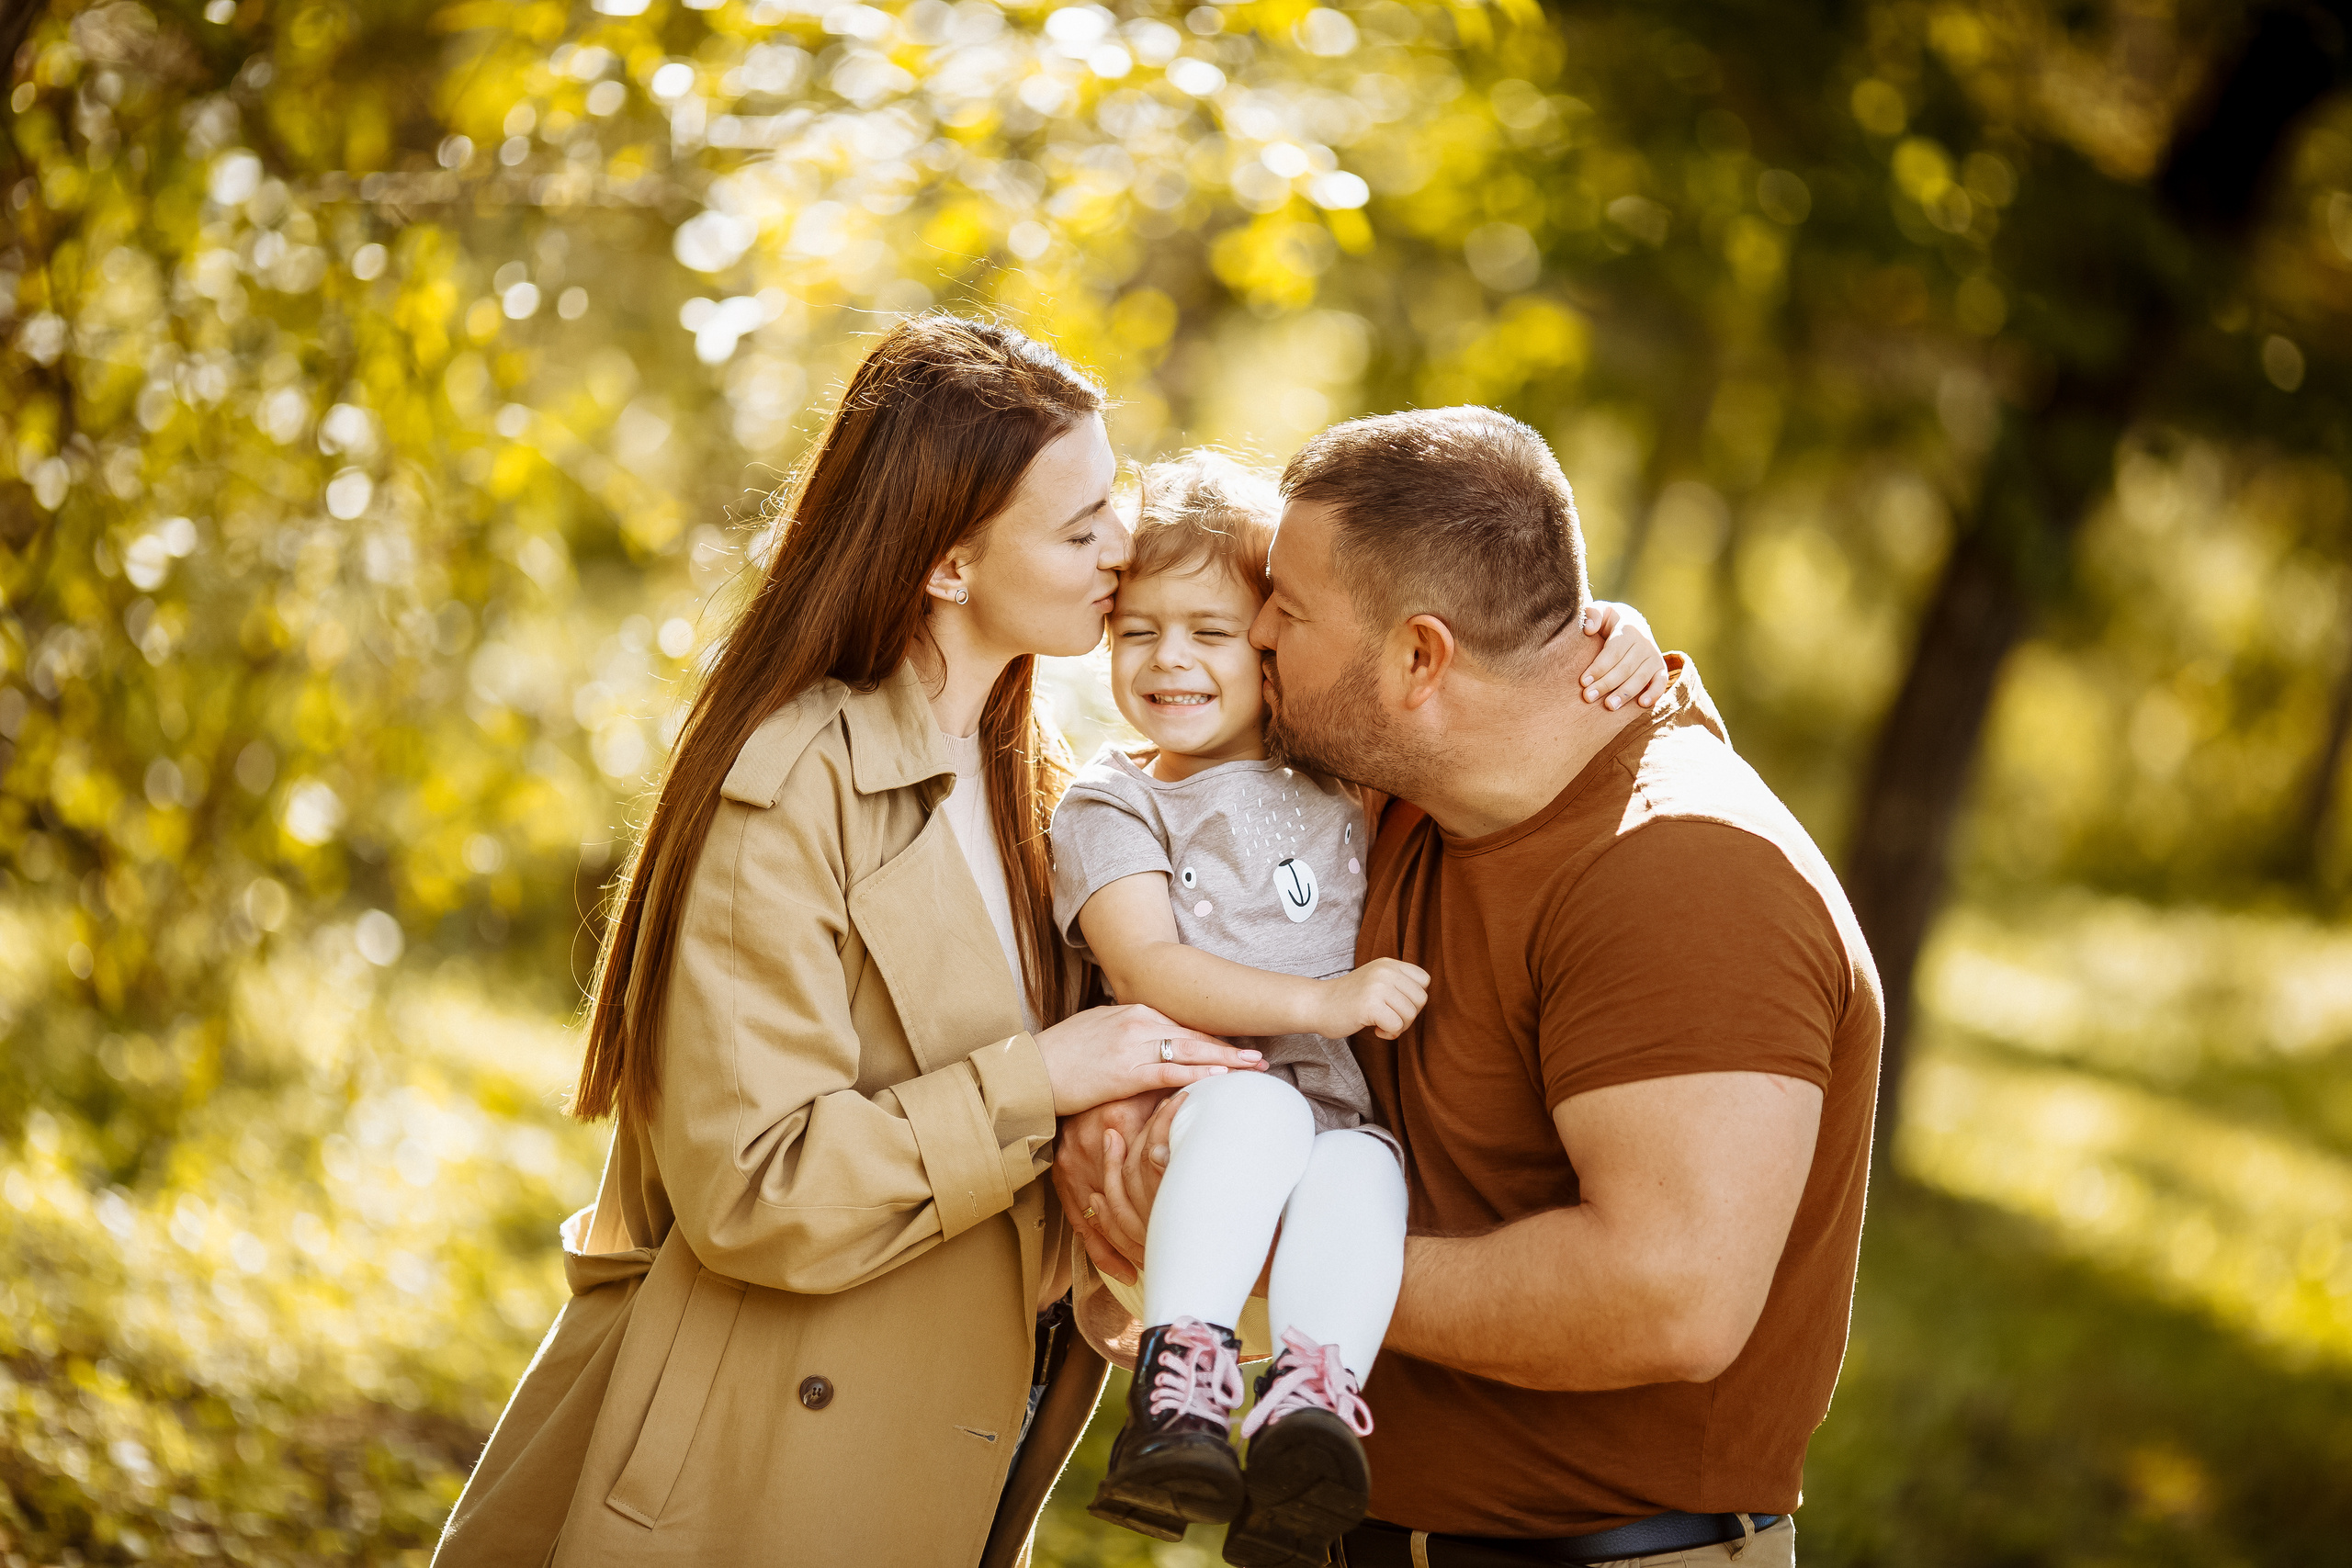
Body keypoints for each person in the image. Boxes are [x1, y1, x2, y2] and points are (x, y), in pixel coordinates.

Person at [429, 317, 1267, 1568]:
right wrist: (1043, 1077)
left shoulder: (1054, 792)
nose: (1124, 547)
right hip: (758, 1462)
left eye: (1118, 503)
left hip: (968, 1443)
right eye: (1079, 524)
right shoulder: (793, 784)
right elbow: (756, 1187)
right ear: (946, 566)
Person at [1060, 408, 1883, 1568]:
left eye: (1284, 612)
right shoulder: (1394, 802)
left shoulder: (1690, 876)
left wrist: (1248, 1251)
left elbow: (1666, 1298)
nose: (1254, 633)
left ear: (1418, 658)